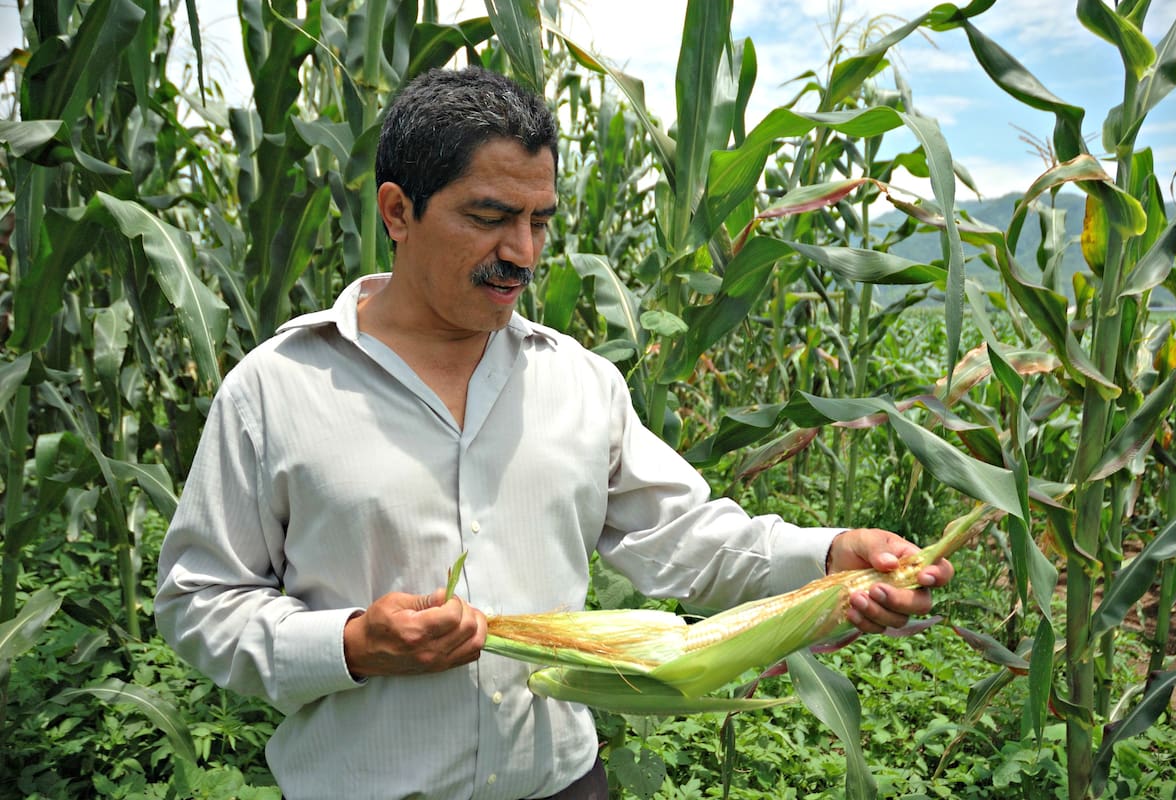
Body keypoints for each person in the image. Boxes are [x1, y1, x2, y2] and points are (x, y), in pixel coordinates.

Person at [155, 66, 953, 800]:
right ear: (398, 211)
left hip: (566, 784)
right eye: (490, 217)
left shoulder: (578, 382)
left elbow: (684, 537)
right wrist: (354, 644)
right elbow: (199, 604)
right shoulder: (277, 388)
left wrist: (827, 556)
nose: (523, 253)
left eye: (540, 221)